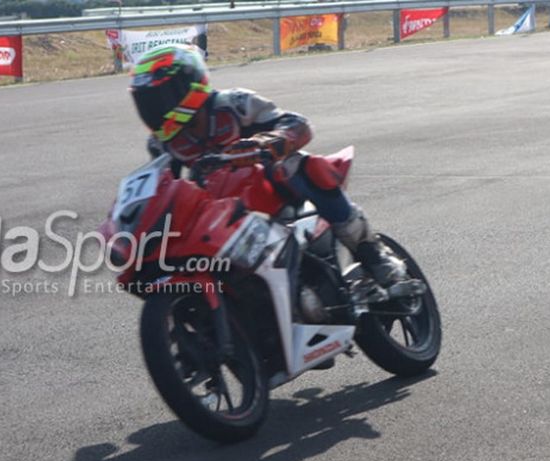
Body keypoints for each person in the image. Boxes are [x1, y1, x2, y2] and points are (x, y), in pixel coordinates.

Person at [129, 44, 406, 287]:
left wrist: (267, 141)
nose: (154, 110)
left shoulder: (233, 104)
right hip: (220, 210)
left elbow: (297, 123)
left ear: (189, 85)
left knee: (297, 165)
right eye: (147, 104)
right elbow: (166, 188)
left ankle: (371, 252)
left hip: (266, 188)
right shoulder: (162, 144)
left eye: (160, 99)